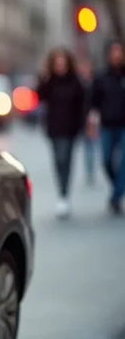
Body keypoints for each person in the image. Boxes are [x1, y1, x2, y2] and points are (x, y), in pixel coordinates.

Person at [37, 48, 87, 219]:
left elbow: (83, 103)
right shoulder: (49, 81)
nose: (60, 66)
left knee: (66, 159)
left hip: (70, 128)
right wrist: (44, 78)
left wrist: (82, 124)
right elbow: (39, 96)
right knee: (58, 160)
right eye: (57, 63)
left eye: (63, 63)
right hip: (54, 128)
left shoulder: (75, 82)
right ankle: (62, 192)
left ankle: (64, 195)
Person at [89, 40, 125, 215]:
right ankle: (119, 186)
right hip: (107, 125)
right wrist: (91, 119)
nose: (117, 56)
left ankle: (115, 197)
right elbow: (93, 101)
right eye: (114, 52)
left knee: (124, 162)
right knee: (107, 161)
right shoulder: (102, 77)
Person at [76, 58, 99, 186]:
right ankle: (89, 171)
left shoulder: (96, 82)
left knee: (93, 146)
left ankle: (92, 170)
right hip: (84, 120)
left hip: (95, 118)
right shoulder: (79, 83)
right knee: (87, 147)